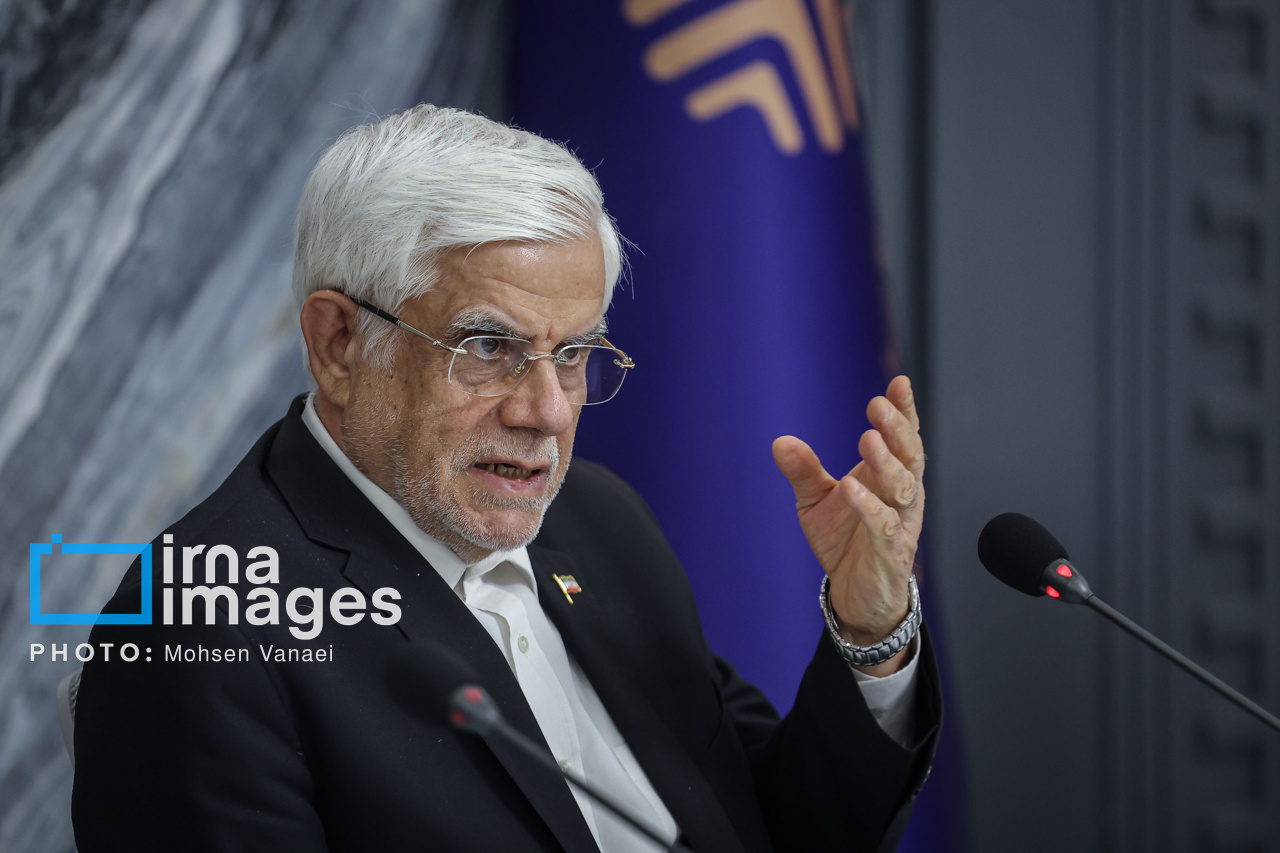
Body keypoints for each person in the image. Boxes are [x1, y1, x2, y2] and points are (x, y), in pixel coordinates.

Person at [72, 105, 940, 852]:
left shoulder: (600, 521)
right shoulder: (203, 626)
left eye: (575, 353)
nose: (548, 411)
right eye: (488, 347)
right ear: (338, 344)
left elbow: (779, 826)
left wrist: (872, 632)